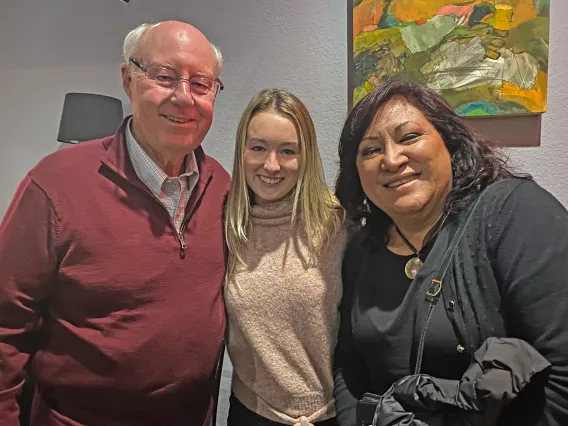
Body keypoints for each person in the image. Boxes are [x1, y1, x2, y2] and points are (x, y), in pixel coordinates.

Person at [0, 20, 230, 426]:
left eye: (200, 83)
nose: (183, 98)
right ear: (128, 79)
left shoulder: (224, 188)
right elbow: (5, 327)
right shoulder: (54, 185)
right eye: (164, 76)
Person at [333, 80, 568, 425]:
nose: (392, 159)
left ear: (451, 143)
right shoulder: (360, 249)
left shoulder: (513, 213)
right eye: (370, 150)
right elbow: (348, 368)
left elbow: (561, 375)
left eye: (409, 137)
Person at [224, 88, 346, 426]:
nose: (271, 165)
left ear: (305, 156)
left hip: (333, 416)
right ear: (242, 151)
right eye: (258, 148)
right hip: (252, 415)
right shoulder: (227, 225)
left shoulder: (338, 224)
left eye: (287, 151)